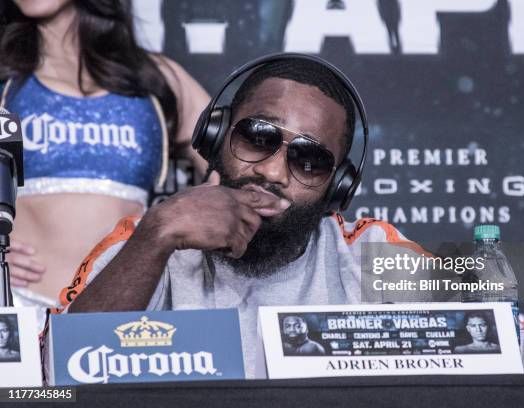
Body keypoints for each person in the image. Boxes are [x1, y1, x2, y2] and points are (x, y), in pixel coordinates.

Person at [60, 56, 430, 377]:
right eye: (257, 137)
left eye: (309, 161)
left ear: (338, 186)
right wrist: (158, 232)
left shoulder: (371, 251)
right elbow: (61, 371)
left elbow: (478, 348)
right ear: (216, 135)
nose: (272, 172)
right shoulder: (146, 239)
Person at [0, 0, 210, 325]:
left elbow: (237, 169)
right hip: (16, 310)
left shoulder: (156, 80)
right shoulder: (5, 79)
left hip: (129, 317)